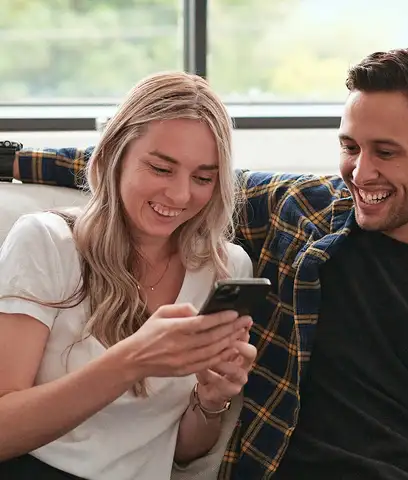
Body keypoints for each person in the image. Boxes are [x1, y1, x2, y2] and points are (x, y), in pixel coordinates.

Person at [2, 48, 408, 479]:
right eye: (350, 147)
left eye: (386, 153)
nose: (360, 172)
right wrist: (13, 161)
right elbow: (139, 160)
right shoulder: (305, 211)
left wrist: (211, 400)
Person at [0, 71, 257, 480]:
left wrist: (210, 401)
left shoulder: (225, 268)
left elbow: (182, 452)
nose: (179, 195)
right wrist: (133, 360)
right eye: (160, 168)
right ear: (114, 156)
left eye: (203, 178)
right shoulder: (47, 242)